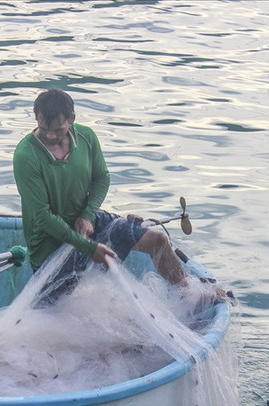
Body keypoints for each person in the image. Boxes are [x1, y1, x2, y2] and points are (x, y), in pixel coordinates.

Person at [13, 88, 189, 303]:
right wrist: (89, 247)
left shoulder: (86, 137)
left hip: (89, 223)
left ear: (71, 120)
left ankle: (188, 294)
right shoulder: (26, 156)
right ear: (36, 119)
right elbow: (42, 216)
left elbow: (101, 178)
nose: (50, 136)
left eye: (58, 130)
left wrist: (87, 215)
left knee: (158, 241)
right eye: (44, 129)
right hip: (49, 243)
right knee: (59, 314)